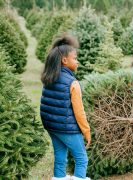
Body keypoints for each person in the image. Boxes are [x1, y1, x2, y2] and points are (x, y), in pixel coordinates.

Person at [40, 34, 91, 180]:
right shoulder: (72, 83)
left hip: (52, 127)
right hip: (67, 128)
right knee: (82, 159)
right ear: (64, 60)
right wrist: (86, 132)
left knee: (60, 156)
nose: (78, 62)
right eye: (75, 58)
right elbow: (79, 112)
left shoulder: (49, 77)